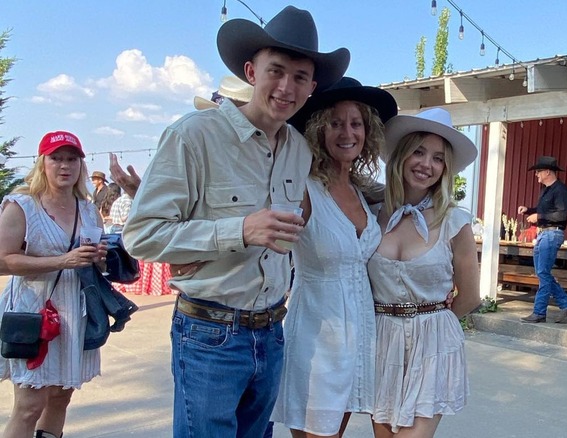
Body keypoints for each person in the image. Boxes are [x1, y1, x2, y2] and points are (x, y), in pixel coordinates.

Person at [122, 6, 349, 437]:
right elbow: (141, 235)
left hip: (272, 331)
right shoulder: (193, 136)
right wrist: (239, 231)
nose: (286, 87)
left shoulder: (299, 150)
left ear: (312, 86)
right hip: (210, 333)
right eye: (276, 71)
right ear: (251, 71)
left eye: (300, 77)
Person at [271, 77, 397, 437]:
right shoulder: (304, 189)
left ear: (367, 131)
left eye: (355, 123)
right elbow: (266, 234)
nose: (347, 132)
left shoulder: (361, 192)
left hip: (359, 338)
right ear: (317, 129)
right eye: (335, 122)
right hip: (317, 341)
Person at [367, 108, 481, 437]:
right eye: (418, 151)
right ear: (401, 155)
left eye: (438, 158)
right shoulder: (371, 213)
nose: (426, 165)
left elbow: (470, 296)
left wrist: (431, 319)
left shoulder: (455, 222)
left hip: (432, 342)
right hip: (382, 339)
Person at [0, 131, 107, 438]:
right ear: (42, 163)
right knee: (30, 405)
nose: (64, 166)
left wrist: (99, 258)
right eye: (56, 158)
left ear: (81, 166)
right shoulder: (22, 205)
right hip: (33, 312)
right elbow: (4, 260)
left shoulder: (88, 210)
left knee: (60, 397)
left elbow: (92, 260)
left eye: (72, 159)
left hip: (74, 312)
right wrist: (62, 260)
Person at [517, 156, 567, 323]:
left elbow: (561, 214)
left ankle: (539, 312)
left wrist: (539, 216)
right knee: (542, 272)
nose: (536, 175)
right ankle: (565, 305)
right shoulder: (545, 190)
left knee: (542, 272)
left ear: (547, 171)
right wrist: (529, 210)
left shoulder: (561, 190)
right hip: (543, 234)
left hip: (552, 233)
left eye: (538, 171)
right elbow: (543, 210)